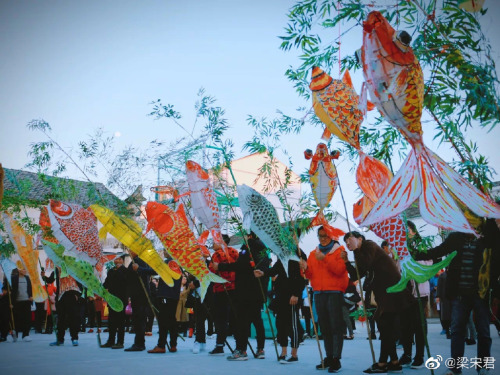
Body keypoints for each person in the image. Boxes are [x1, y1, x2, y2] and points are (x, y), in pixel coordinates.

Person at [411, 218, 500, 375]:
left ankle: (483, 365)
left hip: (481, 294)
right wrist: (415, 254)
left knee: (484, 332)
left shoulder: (488, 240)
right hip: (460, 295)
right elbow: (438, 251)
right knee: (457, 330)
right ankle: (454, 367)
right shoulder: (455, 238)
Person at [342, 231, 414, 374]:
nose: (348, 243)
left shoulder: (370, 246)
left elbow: (367, 263)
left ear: (360, 238)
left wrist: (356, 249)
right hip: (385, 293)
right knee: (385, 327)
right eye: (346, 241)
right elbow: (358, 273)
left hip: (393, 292)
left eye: (350, 239)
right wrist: (346, 262)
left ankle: (382, 363)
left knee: (385, 326)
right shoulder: (361, 251)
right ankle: (393, 362)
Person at [213, 231, 269, 361]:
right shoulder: (263, 249)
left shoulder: (248, 247)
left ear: (249, 236)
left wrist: (220, 266)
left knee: (242, 321)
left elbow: (240, 266)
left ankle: (241, 350)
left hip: (245, 291)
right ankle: (261, 349)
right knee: (257, 320)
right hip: (258, 291)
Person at [299, 226, 349, 373]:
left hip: (334, 292)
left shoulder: (340, 251)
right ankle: (328, 356)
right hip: (318, 292)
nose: (322, 238)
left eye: (325, 235)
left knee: (335, 326)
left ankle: (336, 359)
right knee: (325, 327)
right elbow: (309, 275)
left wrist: (325, 259)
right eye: (320, 235)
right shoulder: (313, 253)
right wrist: (305, 268)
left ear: (332, 236)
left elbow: (340, 271)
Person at [255, 237, 307, 364]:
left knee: (293, 324)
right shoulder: (282, 254)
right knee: (280, 324)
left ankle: (294, 354)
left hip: (292, 296)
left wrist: (296, 294)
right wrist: (263, 272)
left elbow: (302, 277)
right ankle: (283, 351)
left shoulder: (299, 254)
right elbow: (275, 270)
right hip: (281, 294)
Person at [208, 235, 239, 356]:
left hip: (221, 288)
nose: (212, 245)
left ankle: (220, 345)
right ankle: (239, 345)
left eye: (214, 242)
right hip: (234, 288)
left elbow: (212, 270)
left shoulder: (216, 255)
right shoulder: (234, 252)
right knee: (234, 317)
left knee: (221, 319)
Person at [42, 266, 82, 346]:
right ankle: (60, 339)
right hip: (60, 296)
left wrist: (78, 294)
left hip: (72, 295)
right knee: (61, 319)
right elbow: (50, 280)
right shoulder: (57, 269)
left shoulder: (72, 267)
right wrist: (43, 277)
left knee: (72, 318)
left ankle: (74, 338)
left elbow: (80, 281)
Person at [124, 251, 156, 352]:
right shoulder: (135, 261)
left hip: (140, 295)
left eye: (132, 249)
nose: (129, 252)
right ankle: (138, 342)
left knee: (139, 319)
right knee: (138, 319)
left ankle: (139, 343)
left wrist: (139, 269)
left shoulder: (140, 260)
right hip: (136, 294)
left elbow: (153, 271)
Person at [148, 260, 181, 354]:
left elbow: (155, 270)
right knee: (172, 320)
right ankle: (173, 344)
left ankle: (161, 345)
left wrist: (140, 269)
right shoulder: (177, 263)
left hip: (166, 295)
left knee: (163, 320)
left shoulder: (169, 262)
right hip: (174, 296)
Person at [101, 256, 128, 349]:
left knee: (120, 322)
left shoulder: (125, 271)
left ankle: (120, 341)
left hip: (121, 300)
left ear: (123, 261)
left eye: (120, 259)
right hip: (111, 299)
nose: (117, 261)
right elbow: (106, 284)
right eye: (116, 259)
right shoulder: (111, 271)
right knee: (111, 322)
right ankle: (110, 340)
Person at [11, 267, 33, 341]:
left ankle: (26, 335)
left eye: (25, 269)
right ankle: (15, 334)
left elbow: (30, 288)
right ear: (19, 270)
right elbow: (11, 290)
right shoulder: (14, 278)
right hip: (17, 301)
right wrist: (11, 302)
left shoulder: (27, 278)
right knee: (17, 318)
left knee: (27, 319)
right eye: (23, 269)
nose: (25, 271)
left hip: (26, 301)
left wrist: (31, 296)